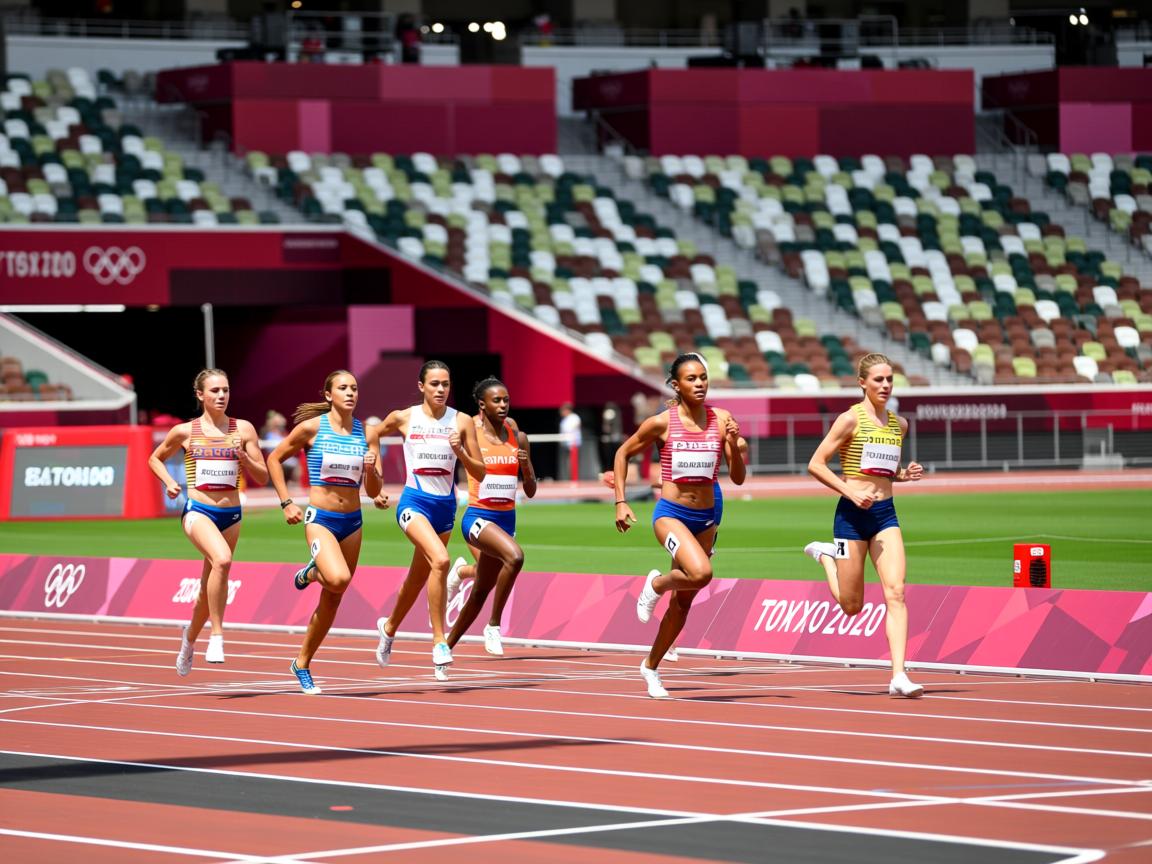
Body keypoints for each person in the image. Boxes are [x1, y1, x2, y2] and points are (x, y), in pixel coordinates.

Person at [613, 354, 744, 698]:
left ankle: (650, 667)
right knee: (701, 573)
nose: (699, 383)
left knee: (683, 604)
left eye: (703, 377)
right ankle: (655, 584)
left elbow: (740, 478)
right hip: (670, 515)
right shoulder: (662, 422)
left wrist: (732, 443)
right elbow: (623, 453)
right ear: (676, 385)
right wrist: (621, 501)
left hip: (707, 518)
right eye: (691, 378)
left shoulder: (722, 419)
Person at [803, 352, 925, 698]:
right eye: (878, 380)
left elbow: (882, 472)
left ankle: (899, 675)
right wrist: (850, 493)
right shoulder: (849, 420)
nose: (885, 385)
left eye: (889, 379)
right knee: (851, 606)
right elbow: (816, 464)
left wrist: (903, 475)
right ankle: (827, 557)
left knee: (896, 591)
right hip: (851, 516)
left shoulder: (899, 425)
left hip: (886, 515)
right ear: (862, 383)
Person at [267, 370, 382, 695]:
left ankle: (301, 663)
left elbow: (373, 490)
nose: (350, 393)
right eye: (343, 388)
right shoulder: (311, 429)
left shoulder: (367, 433)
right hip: (321, 519)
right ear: (329, 394)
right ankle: (314, 571)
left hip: (353, 522)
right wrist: (287, 502)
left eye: (354, 388)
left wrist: (371, 469)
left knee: (334, 596)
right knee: (338, 578)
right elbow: (275, 459)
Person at [147, 368, 268, 675]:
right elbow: (154, 458)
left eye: (225, 390)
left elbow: (263, 475)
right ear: (200, 395)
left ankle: (188, 640)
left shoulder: (243, 429)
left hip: (231, 515)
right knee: (223, 561)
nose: (221, 396)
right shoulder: (185, 431)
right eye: (214, 391)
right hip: (199, 511)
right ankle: (217, 636)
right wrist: (168, 483)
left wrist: (245, 459)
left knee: (207, 588)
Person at [371, 361, 485, 680]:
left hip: (444, 508)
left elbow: (480, 472)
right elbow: (373, 434)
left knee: (418, 576)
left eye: (445, 384)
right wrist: (375, 479)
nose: (440, 390)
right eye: (434, 384)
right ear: (422, 386)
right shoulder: (404, 417)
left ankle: (389, 627)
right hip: (413, 502)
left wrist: (460, 451)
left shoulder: (461, 421)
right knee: (441, 560)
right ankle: (439, 642)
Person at [443, 376, 537, 656]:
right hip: (478, 517)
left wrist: (526, 467)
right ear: (482, 404)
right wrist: (459, 452)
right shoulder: (470, 430)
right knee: (515, 557)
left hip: (507, 519)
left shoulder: (517, 436)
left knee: (480, 593)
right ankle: (494, 626)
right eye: (496, 400)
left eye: (506, 399)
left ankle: (444, 649)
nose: (503, 405)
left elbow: (530, 490)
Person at [558, 402, 582, 481]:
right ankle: (569, 479)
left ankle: (574, 480)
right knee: (567, 463)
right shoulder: (564, 420)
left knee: (572, 463)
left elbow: (570, 430)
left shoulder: (575, 418)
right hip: (565, 444)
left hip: (573, 444)